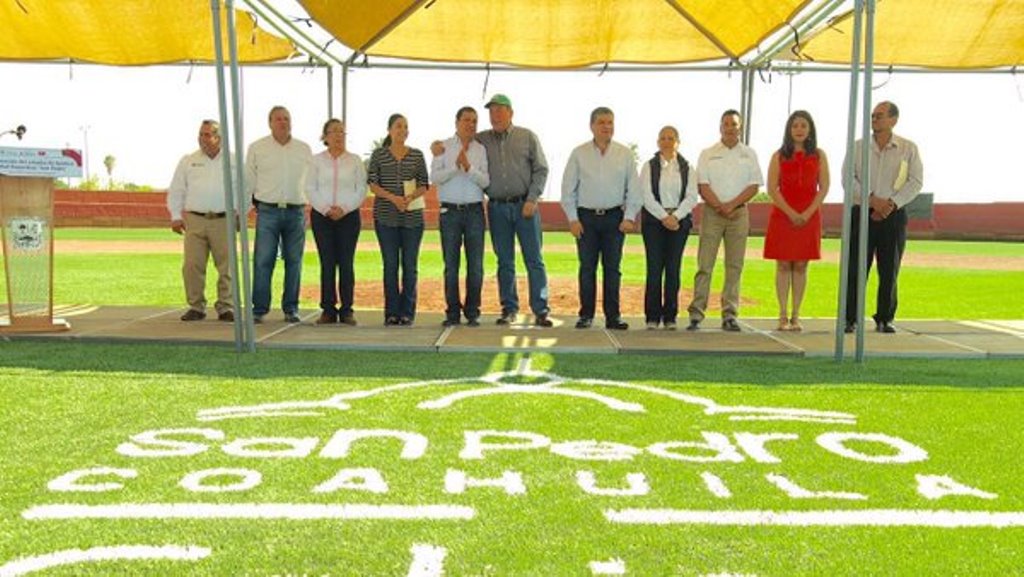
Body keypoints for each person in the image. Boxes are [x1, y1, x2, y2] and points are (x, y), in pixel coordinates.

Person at [843, 101, 924, 334]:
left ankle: (885, 318)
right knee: (856, 267)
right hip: (862, 212)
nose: (874, 120)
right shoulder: (858, 147)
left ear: (893, 120)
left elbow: (915, 181)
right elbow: (848, 179)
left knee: (890, 269)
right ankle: (851, 318)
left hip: (894, 215)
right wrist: (872, 200)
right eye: (873, 116)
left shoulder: (908, 148)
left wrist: (891, 204)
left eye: (879, 116)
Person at [561, 106, 642, 330]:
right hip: (586, 218)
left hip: (615, 219)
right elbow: (568, 189)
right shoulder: (579, 153)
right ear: (592, 126)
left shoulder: (624, 154)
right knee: (587, 268)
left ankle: (613, 316)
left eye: (610, 123)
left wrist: (629, 217)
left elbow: (634, 189)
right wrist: (572, 219)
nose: (607, 127)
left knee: (612, 269)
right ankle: (586, 314)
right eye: (602, 123)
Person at [477, 94, 553, 327]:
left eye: (500, 110)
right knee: (505, 261)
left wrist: (532, 199)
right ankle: (509, 308)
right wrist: (438, 145)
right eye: (491, 112)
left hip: (525, 206)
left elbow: (541, 169)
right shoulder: (481, 140)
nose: (495, 115)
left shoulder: (527, 136)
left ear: (511, 112)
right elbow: (458, 142)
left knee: (534, 260)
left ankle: (540, 309)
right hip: (498, 207)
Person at [686, 109, 763, 332]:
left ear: (740, 128)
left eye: (734, 124)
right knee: (705, 265)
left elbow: (754, 185)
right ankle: (696, 315)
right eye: (726, 124)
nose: (730, 128)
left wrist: (732, 205)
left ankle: (730, 315)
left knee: (734, 267)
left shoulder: (749, 154)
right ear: (720, 127)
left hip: (739, 214)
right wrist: (720, 206)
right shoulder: (708, 153)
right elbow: (702, 184)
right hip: (712, 213)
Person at [763, 110, 830, 332]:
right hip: (783, 216)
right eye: (795, 126)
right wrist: (791, 213)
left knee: (801, 264)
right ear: (788, 130)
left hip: (809, 216)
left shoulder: (819, 155)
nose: (799, 130)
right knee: (783, 264)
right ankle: (782, 315)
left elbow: (824, 187)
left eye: (803, 125)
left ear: (810, 129)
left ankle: (796, 315)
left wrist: (808, 212)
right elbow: (772, 188)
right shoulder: (778, 156)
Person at [246, 105, 313, 324]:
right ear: (270, 122)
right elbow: (248, 181)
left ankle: (291, 308)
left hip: (296, 212)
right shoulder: (257, 148)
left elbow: (311, 180)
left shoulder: (303, 149)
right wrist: (245, 208)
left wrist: (310, 206)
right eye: (278, 119)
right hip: (268, 211)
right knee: (263, 260)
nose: (283, 122)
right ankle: (259, 309)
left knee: (294, 262)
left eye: (286, 118)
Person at [167, 119, 234, 322]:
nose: (202, 138)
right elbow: (177, 189)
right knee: (192, 265)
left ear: (219, 137)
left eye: (207, 134)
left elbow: (244, 189)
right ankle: (196, 306)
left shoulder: (233, 161)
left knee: (227, 267)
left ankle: (226, 307)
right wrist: (176, 216)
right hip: (195, 220)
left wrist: (240, 211)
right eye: (201, 134)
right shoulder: (188, 160)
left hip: (224, 219)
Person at [368, 113, 429, 326]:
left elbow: (424, 183)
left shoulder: (417, 155)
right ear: (389, 130)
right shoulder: (379, 155)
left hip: (413, 220)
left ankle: (407, 312)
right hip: (386, 218)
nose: (402, 130)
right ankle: (391, 312)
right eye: (398, 126)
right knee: (390, 266)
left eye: (405, 126)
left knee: (410, 267)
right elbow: (373, 184)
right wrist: (393, 198)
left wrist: (411, 197)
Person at [431, 106, 489, 327]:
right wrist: (456, 168)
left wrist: (469, 168)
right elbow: (434, 177)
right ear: (456, 122)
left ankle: (473, 311)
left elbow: (486, 182)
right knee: (451, 265)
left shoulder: (480, 150)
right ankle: (452, 312)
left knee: (475, 265)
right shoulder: (442, 147)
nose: (470, 124)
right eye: (466, 120)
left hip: (474, 211)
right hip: (449, 212)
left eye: (474, 121)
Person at [306, 118, 366, 326]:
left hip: (348, 218)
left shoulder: (355, 160)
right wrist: (325, 209)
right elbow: (310, 188)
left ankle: (347, 310)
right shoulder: (316, 161)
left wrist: (344, 209)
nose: (339, 136)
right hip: (322, 218)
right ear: (325, 136)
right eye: (334, 132)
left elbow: (361, 189)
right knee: (327, 263)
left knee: (346, 263)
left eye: (342, 132)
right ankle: (328, 310)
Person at [640, 125, 699, 330]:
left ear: (678, 142)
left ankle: (671, 316)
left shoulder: (687, 167)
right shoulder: (649, 166)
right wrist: (665, 216)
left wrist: (676, 217)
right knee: (654, 269)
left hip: (679, 223)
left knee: (673, 269)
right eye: (663, 138)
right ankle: (652, 317)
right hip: (654, 222)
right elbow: (646, 196)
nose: (667, 141)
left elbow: (692, 196)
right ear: (658, 142)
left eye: (671, 138)